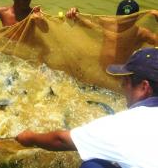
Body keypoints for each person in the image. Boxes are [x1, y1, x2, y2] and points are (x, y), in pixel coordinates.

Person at [16, 47, 158, 168]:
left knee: (92, 165)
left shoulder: (124, 125)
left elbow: (61, 140)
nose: (121, 86)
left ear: (144, 87)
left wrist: (30, 137)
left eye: (126, 81)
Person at [66, 0, 158, 69]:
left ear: (136, 18)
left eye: (128, 19)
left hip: (120, 72)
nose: (124, 22)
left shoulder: (140, 33)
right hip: (101, 69)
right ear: (116, 15)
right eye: (121, 18)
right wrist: (75, 14)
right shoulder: (106, 23)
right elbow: (84, 24)